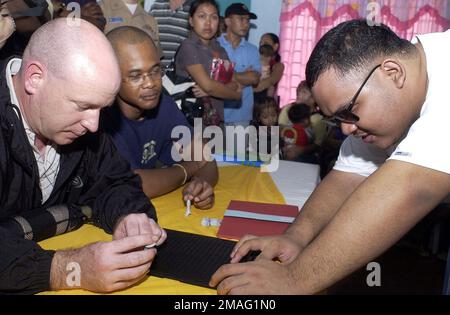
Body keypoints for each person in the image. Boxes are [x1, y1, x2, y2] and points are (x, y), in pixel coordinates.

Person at [210, 19, 450, 294]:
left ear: (393, 73)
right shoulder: (389, 103)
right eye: (338, 118)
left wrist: (292, 280)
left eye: (350, 110)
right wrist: (295, 238)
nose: (347, 128)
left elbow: (409, 186)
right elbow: (347, 177)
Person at [0, 19, 166, 294]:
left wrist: (129, 216)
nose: (94, 125)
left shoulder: (81, 126)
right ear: (34, 78)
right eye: (84, 106)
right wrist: (69, 269)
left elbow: (115, 181)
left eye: (102, 108)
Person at [103, 26, 218, 209]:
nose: (150, 83)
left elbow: (205, 157)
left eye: (155, 71)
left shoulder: (163, 106)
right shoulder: (100, 119)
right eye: (136, 76)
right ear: (111, 76)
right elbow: (135, 185)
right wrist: (189, 169)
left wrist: (202, 184)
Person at [175, 0, 241, 127]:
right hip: (189, 122)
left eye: (214, 17)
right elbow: (210, 86)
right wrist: (234, 95)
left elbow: (234, 84)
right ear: (191, 21)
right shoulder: (188, 46)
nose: (208, 23)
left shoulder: (220, 50)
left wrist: (211, 90)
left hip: (216, 121)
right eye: (202, 16)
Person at [218, 2, 260, 129]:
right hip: (215, 114)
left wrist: (225, 74)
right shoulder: (215, 45)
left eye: (247, 20)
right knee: (209, 150)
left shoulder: (252, 50)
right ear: (227, 21)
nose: (246, 23)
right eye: (241, 19)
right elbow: (211, 77)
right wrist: (243, 76)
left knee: (238, 150)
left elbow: (254, 78)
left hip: (241, 116)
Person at [149, 0, 193, 68]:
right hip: (154, 71)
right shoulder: (156, 5)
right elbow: (147, 39)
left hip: (179, 74)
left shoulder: (194, 9)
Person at [253, 33, 285, 100]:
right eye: (260, 43)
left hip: (263, 102)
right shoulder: (254, 60)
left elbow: (270, 81)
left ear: (275, 46)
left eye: (265, 43)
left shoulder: (278, 66)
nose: (262, 45)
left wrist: (248, 90)